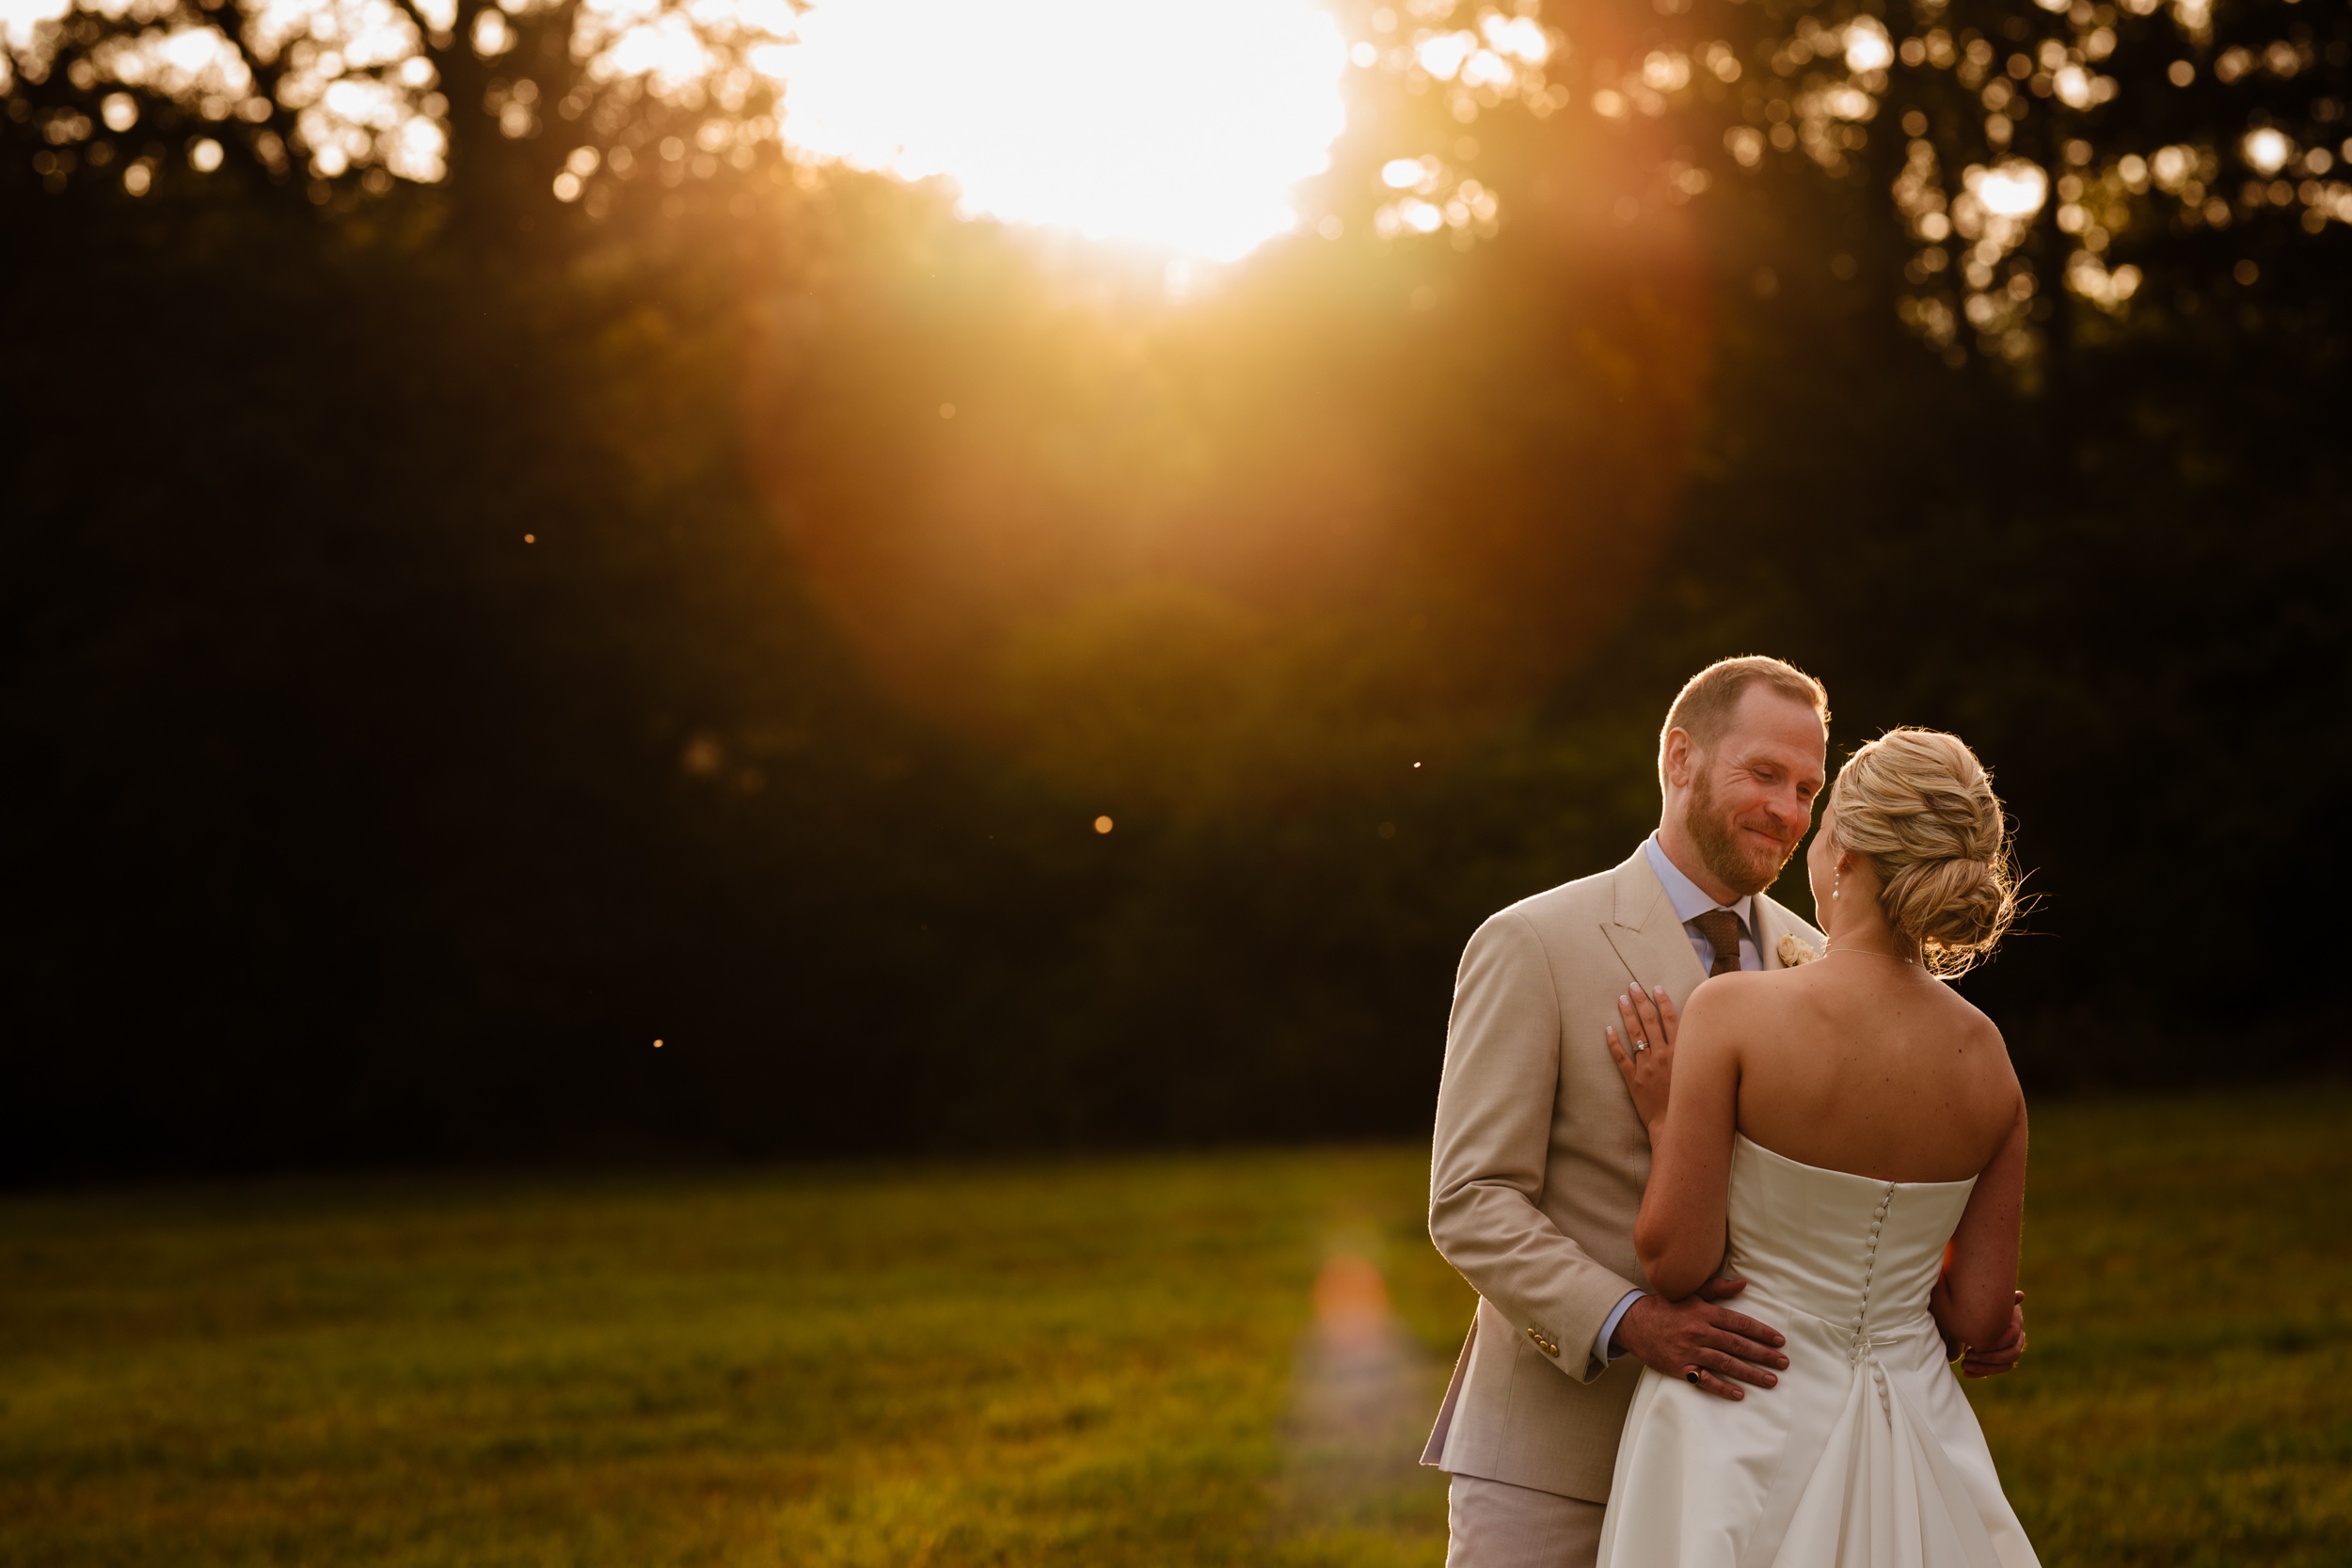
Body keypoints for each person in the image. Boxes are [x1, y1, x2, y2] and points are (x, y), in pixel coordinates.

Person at [1423, 656, 2012, 1568]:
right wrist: (1627, 1316)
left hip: (1767, 1465)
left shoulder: (1825, 955)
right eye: (1764, 773)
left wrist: (1941, 1295)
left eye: (1810, 787)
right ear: (1679, 756)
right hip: (1556, 1454)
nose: (1787, 808)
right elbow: (1471, 1198)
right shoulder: (1532, 940)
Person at [1593, 726, 2038, 1567]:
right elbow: (1981, 1317)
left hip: (1745, 1416)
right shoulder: (1988, 1060)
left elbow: (1677, 1262)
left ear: (1847, 855)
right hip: (1913, 1430)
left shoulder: (1736, 1013)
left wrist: (1663, 1119)